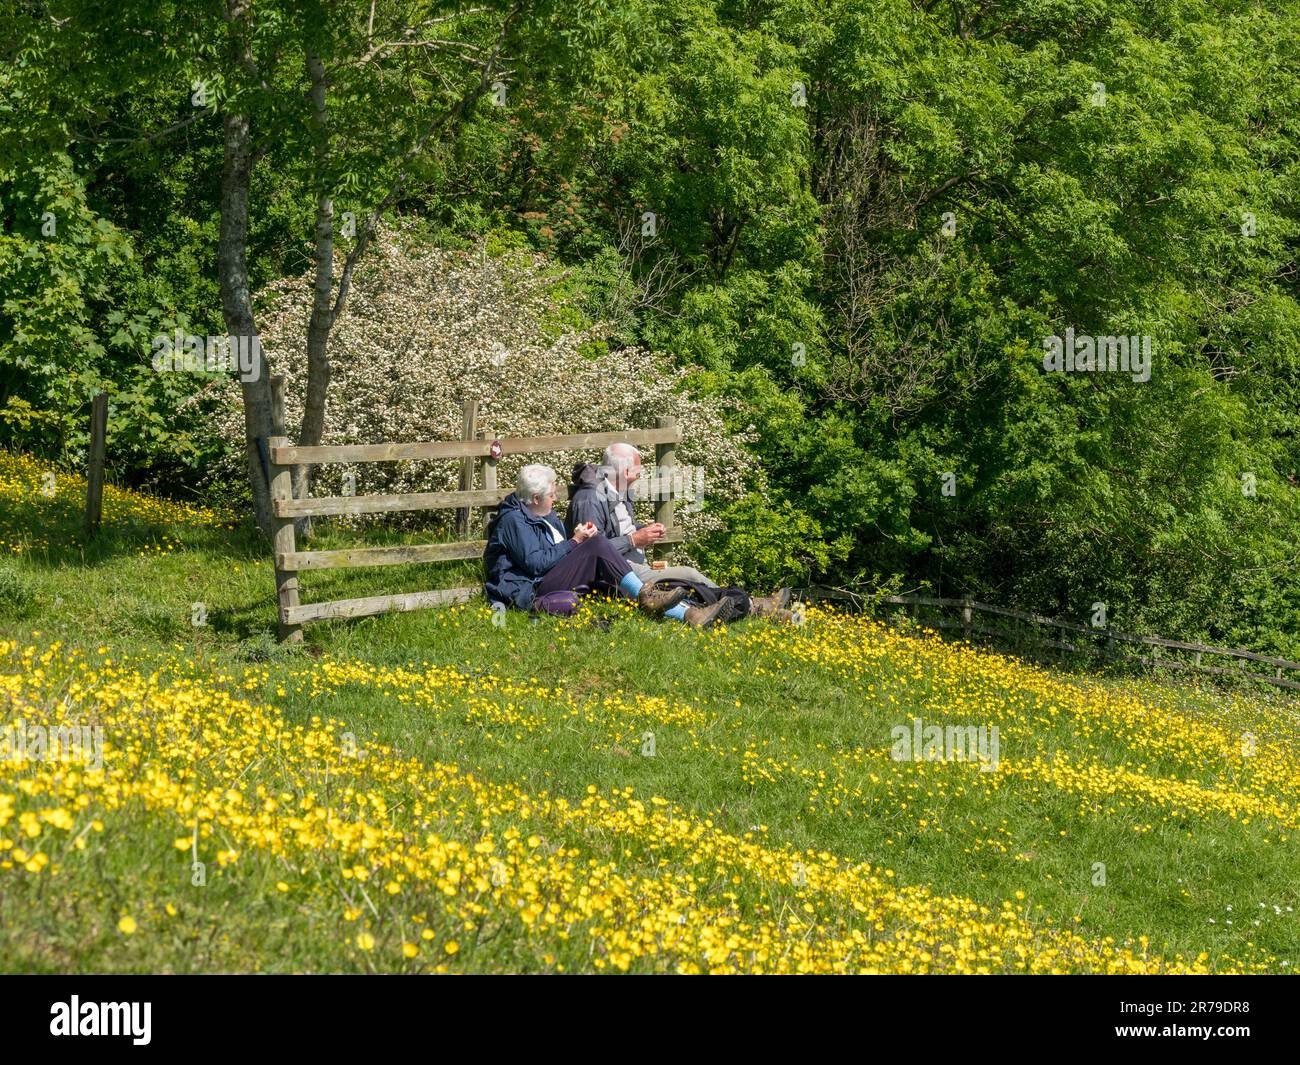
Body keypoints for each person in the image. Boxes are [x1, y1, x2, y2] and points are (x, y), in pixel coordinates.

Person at [484, 463, 735, 627]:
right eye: (551, 495)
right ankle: (658, 601)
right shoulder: (513, 521)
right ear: (536, 498)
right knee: (599, 545)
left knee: (601, 553)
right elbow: (535, 563)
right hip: (533, 588)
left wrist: (576, 540)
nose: (555, 498)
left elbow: (555, 550)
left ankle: (690, 614)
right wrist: (575, 542)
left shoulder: (542, 513)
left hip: (549, 577)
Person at [565, 443, 792, 620]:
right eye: (637, 471)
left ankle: (752, 607)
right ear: (624, 471)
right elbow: (592, 551)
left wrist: (644, 532)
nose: (639, 476)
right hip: (619, 574)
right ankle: (753, 605)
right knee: (689, 575)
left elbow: (619, 533)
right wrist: (634, 539)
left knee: (688, 585)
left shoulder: (619, 491)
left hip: (632, 565)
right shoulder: (591, 498)